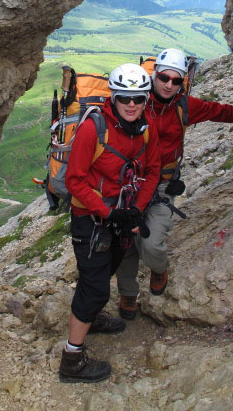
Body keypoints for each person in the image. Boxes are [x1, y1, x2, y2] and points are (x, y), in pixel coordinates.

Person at [115, 48, 233, 320]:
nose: (169, 84)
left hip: (162, 185)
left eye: (176, 81)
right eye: (164, 77)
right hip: (130, 185)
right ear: (154, 76)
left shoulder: (184, 106)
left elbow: (220, 112)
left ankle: (158, 268)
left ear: (183, 82)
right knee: (125, 241)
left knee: (151, 243)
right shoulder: (135, 101)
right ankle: (128, 293)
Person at [59, 63, 161, 383]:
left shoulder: (147, 129)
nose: (132, 105)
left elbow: (153, 171)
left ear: (146, 100)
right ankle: (71, 360)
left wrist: (136, 210)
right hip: (90, 218)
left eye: (139, 99)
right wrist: (109, 213)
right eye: (125, 98)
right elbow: (75, 182)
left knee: (106, 270)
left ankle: (93, 318)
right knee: (95, 285)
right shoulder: (94, 128)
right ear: (113, 98)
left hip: (120, 214)